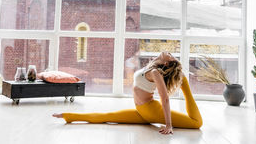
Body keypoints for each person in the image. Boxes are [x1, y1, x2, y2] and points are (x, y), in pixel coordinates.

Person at [53, 52, 202, 135]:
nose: (169, 53)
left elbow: (165, 99)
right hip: (142, 110)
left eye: (171, 56)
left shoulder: (156, 72)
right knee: (108, 117)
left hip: (151, 110)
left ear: (166, 63)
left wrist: (168, 125)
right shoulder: (150, 67)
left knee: (196, 123)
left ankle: (185, 84)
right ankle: (69, 116)